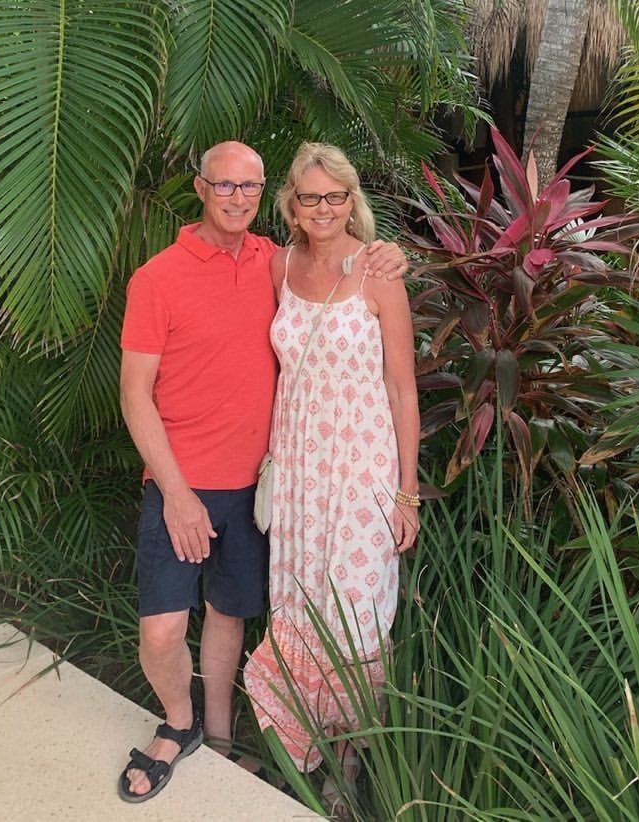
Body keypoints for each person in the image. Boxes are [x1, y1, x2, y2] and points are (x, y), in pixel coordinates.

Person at [116, 140, 406, 803]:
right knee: (162, 629)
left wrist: (393, 253)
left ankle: (219, 738)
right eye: (224, 185)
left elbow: (348, 270)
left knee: (230, 614)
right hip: (182, 484)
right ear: (201, 188)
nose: (237, 197)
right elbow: (134, 395)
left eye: (249, 186)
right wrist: (176, 494)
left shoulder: (270, 262)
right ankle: (179, 723)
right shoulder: (159, 277)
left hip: (261, 485)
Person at [243, 142, 420, 805]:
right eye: (310, 197)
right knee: (299, 604)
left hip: (361, 475)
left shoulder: (379, 274)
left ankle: (348, 765)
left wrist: (407, 493)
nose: (323, 208)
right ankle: (301, 746)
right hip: (297, 474)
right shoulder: (279, 266)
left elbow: (402, 389)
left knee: (355, 614)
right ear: (291, 204)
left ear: (352, 201)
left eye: (336, 196)